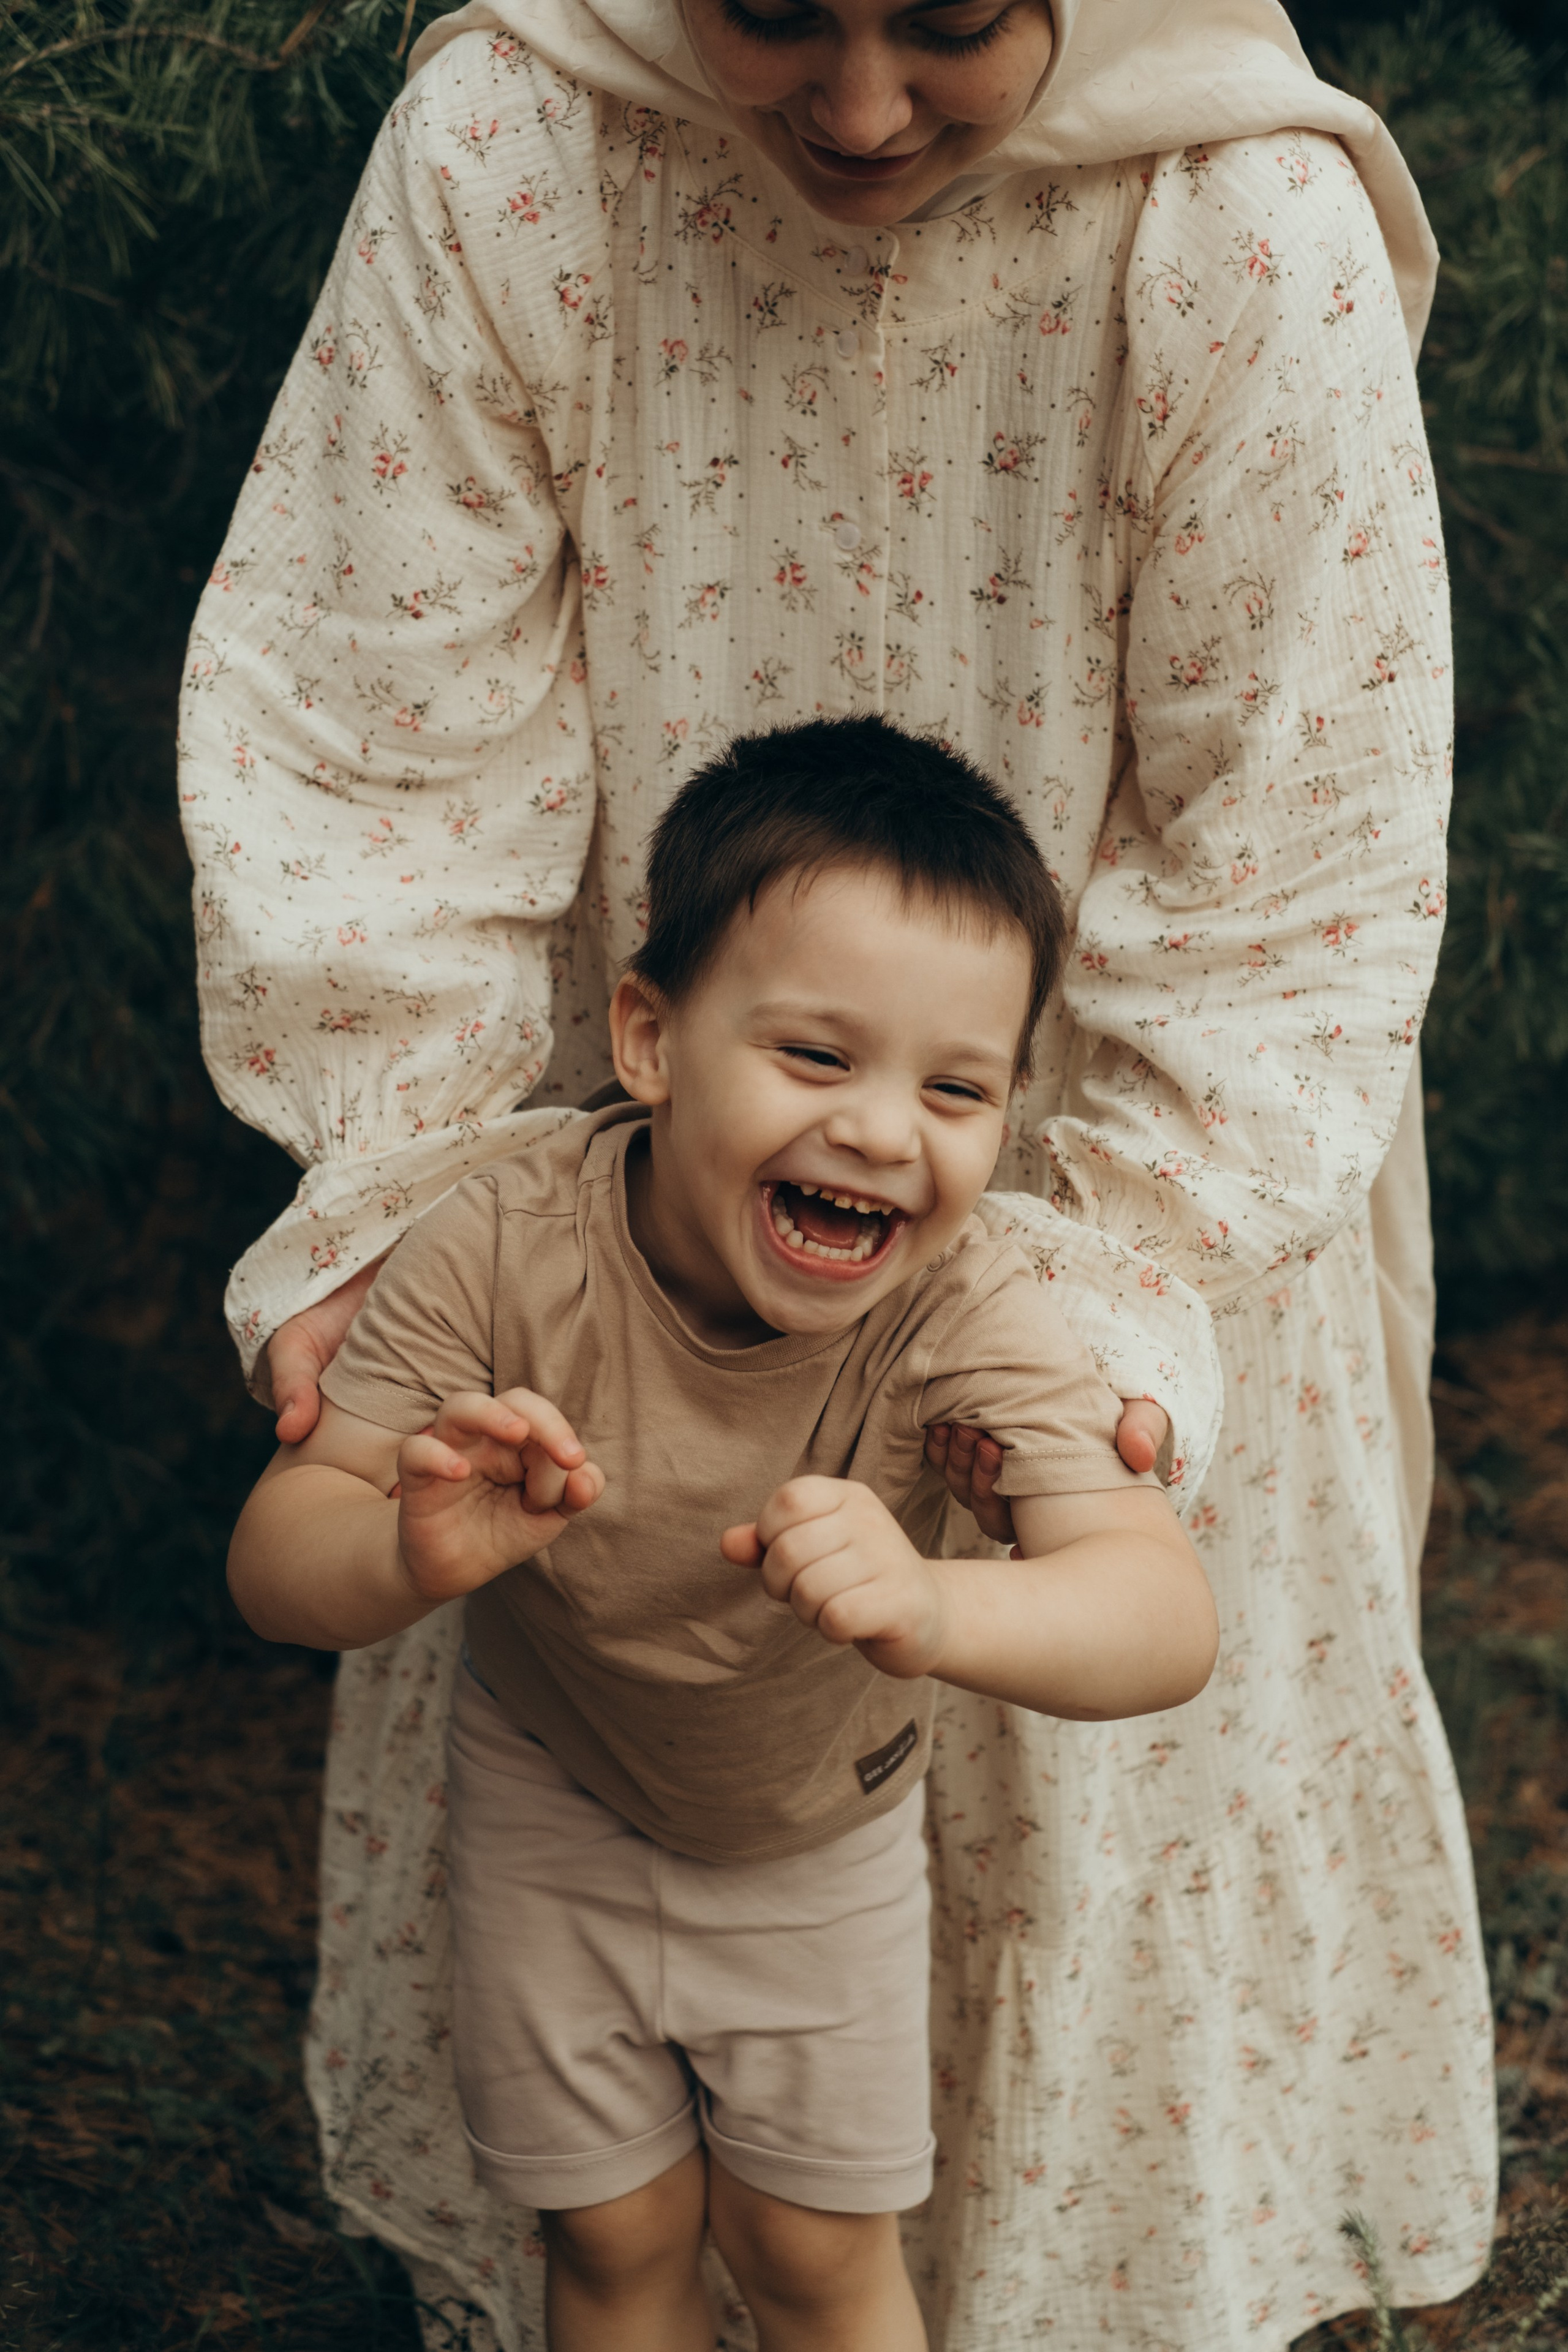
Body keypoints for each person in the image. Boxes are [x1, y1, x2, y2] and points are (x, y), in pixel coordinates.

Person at [178, 0, 1497, 2340]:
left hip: (1086, 1188)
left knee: (979, 1973)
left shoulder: (1236, 227)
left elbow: (1293, 878)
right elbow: (371, 739)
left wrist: (1067, 1337)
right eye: (775, 9)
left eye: (959, 20)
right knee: (628, 2161)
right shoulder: (522, 144)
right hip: (639, 1211)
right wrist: (419, 1217)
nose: (862, 106)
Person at [227, 720, 1218, 2349]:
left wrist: (935, 1613)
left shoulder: (963, 1304)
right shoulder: (500, 1241)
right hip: (552, 1804)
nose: (888, 1132)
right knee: (612, 2242)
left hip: (816, 1839)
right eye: (818, 1058)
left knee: (814, 2254)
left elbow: (1161, 1615)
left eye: (956, 1087)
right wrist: (404, 1553)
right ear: (650, 1038)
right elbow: (277, 1560)